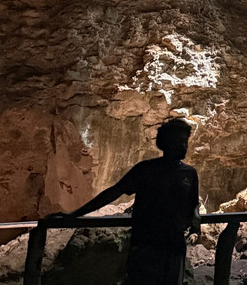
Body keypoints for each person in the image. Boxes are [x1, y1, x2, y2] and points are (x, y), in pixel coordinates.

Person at [47, 118, 201, 285]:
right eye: (178, 141)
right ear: (165, 143)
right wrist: (74, 214)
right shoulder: (146, 170)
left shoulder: (189, 174)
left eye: (184, 141)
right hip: (146, 246)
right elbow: (113, 192)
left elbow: (193, 204)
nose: (183, 145)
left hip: (174, 246)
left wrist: (196, 227)